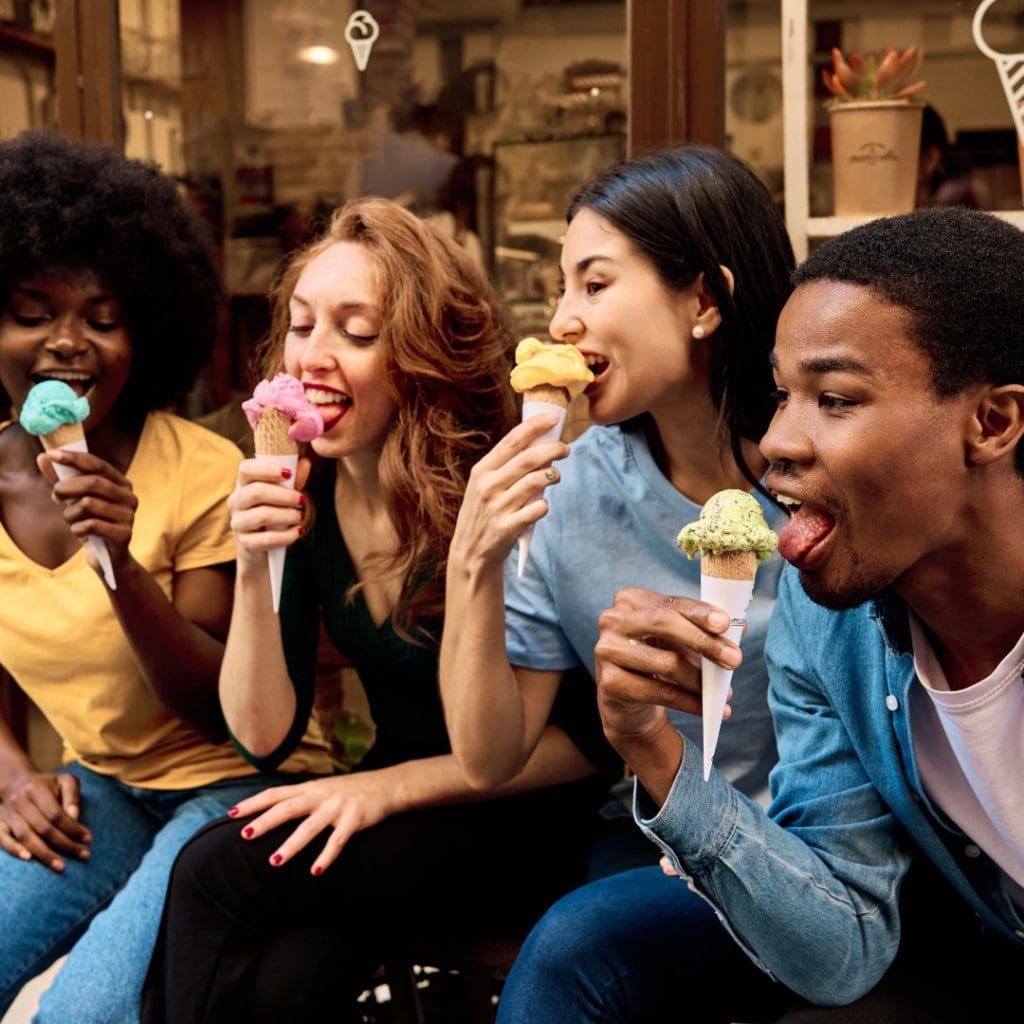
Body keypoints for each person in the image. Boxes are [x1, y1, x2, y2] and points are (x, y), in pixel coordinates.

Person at [512, 206, 1024, 1021]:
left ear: (991, 423)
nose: (779, 441)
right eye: (782, 395)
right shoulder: (825, 624)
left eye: (835, 398)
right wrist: (655, 752)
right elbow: (841, 946)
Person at [140, 197, 614, 1023]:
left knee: (213, 868)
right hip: (390, 826)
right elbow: (262, 734)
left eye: (356, 334)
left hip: (519, 826)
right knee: (286, 982)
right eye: (299, 326)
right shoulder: (305, 489)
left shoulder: (500, 485)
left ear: (421, 357)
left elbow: (587, 740)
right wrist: (257, 565)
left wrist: (388, 789)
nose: (312, 358)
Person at [437, 143, 794, 1011]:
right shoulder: (569, 484)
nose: (561, 319)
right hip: (662, 846)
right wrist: (472, 560)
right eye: (563, 288)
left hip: (820, 846)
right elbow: (488, 756)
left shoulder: (818, 468)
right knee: (583, 942)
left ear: (704, 299)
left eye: (594, 285)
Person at [0, 132, 327, 1024]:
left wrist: (118, 564)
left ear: (145, 332)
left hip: (238, 787)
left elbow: (218, 706)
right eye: (33, 311)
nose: (68, 342)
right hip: (101, 789)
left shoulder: (202, 467)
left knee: (82, 1013)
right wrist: (14, 773)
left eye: (103, 318)